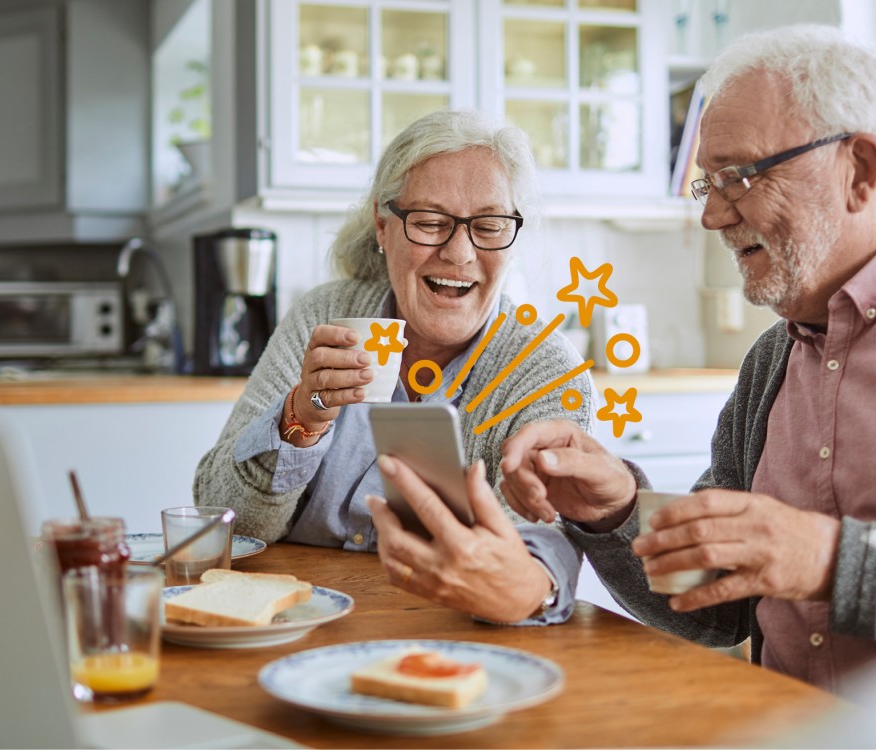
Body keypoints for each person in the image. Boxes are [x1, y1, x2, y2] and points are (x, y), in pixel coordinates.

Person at [367, 24, 876, 692]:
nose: (712, 216)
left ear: (860, 169)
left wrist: (829, 562)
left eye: (740, 176)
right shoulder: (770, 365)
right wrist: (617, 511)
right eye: (709, 183)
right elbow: (716, 610)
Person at [194, 110, 594, 623]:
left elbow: (533, 558)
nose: (459, 253)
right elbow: (222, 519)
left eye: (489, 226)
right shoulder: (323, 317)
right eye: (430, 222)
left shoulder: (544, 369)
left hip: (445, 635)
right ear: (384, 228)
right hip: (289, 621)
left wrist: (530, 579)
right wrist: (301, 418)